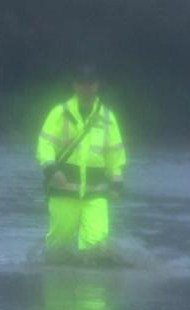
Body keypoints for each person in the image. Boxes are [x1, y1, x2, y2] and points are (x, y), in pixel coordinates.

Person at [37, 65, 126, 264]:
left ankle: (92, 292)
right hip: (63, 190)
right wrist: (51, 169)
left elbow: (115, 154)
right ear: (75, 85)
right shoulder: (60, 113)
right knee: (59, 249)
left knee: (96, 247)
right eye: (82, 83)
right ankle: (58, 288)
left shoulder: (107, 118)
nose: (86, 87)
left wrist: (117, 183)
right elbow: (45, 144)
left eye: (91, 83)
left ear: (97, 85)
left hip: (96, 192)